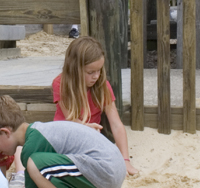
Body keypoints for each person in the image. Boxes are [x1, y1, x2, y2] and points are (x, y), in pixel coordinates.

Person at [0, 95, 125, 188]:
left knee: (35, 164)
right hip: (111, 166)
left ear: (5, 132)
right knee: (63, 165)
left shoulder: (31, 146)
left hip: (105, 169)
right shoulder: (39, 131)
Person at [52, 36, 139, 176]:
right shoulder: (61, 84)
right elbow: (71, 120)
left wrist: (125, 160)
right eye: (90, 72)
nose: (96, 76)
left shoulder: (102, 87)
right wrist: (87, 129)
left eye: (99, 70)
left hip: (89, 139)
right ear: (74, 69)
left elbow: (116, 124)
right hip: (65, 136)